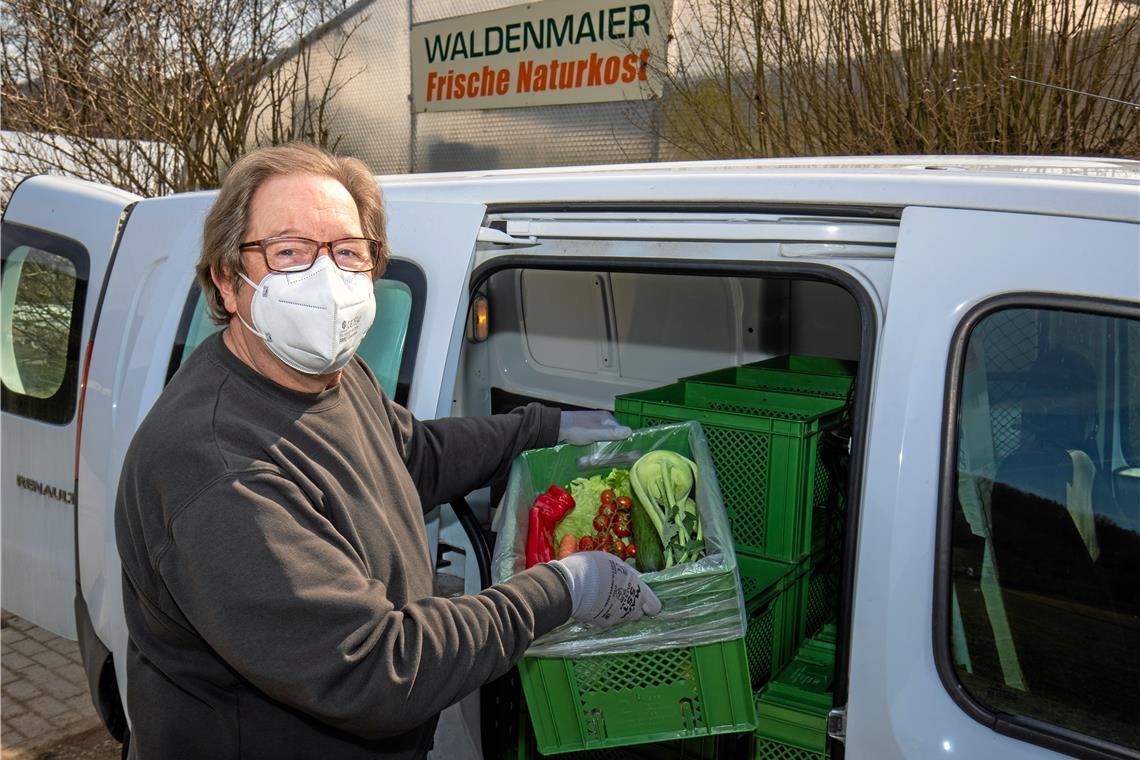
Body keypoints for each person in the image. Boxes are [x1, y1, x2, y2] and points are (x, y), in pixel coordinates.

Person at [113, 143, 661, 759]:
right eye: (289, 252)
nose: (327, 280)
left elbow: (411, 454)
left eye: (347, 252)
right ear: (226, 278)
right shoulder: (215, 463)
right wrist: (563, 588)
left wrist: (539, 428)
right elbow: (375, 670)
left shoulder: (331, 377)